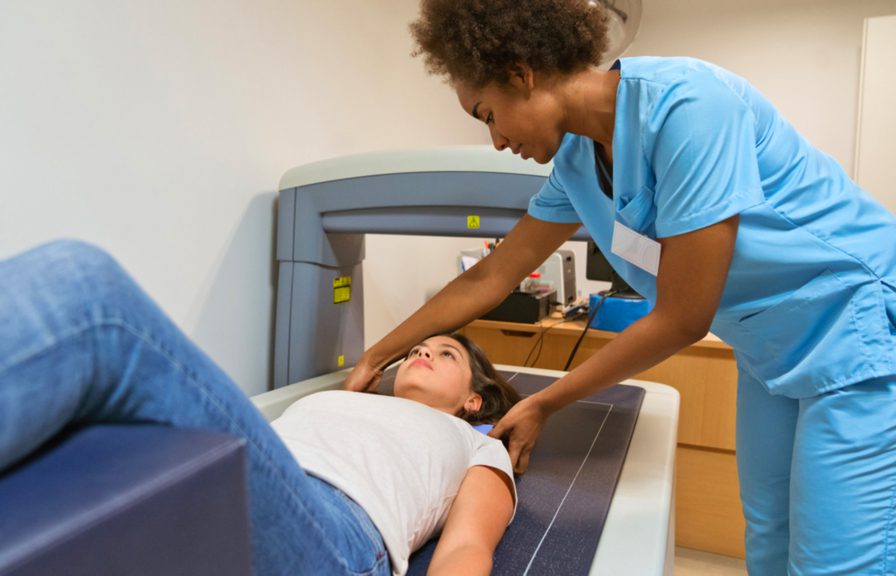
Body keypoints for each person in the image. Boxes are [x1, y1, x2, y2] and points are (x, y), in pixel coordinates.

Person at [343, 1, 896, 574]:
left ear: (520, 73)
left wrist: (545, 402)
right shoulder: (577, 164)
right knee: (772, 538)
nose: (496, 141)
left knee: (837, 562)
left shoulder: (688, 106)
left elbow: (683, 317)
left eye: (487, 114)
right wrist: (377, 355)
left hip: (857, 326)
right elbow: (492, 274)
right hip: (770, 351)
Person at [0, 239, 519, 576]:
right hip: (231, 478)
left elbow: (465, 548)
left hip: (334, 537)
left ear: (473, 398)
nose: (422, 353)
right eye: (417, 348)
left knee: (92, 300)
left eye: (445, 353)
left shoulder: (477, 444)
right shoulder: (335, 395)